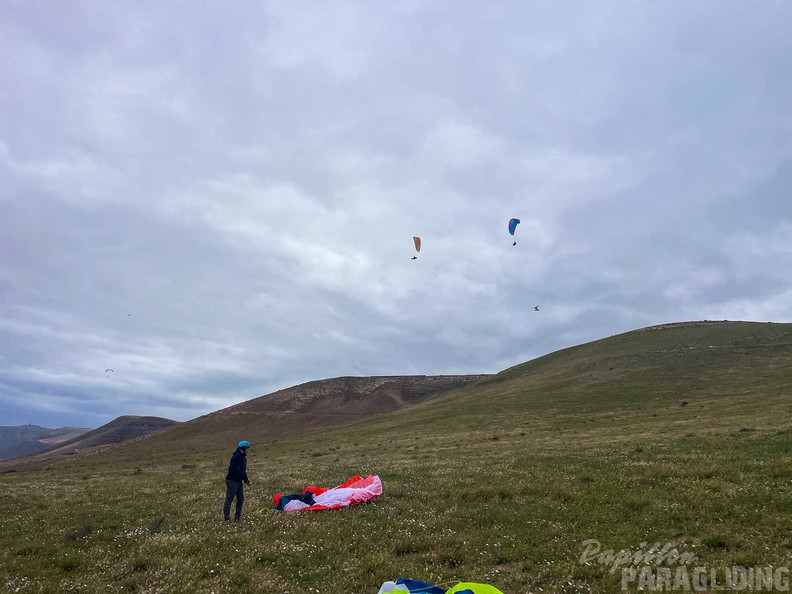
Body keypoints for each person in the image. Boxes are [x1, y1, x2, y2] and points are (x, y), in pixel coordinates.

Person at [224, 440, 251, 521]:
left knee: (240, 499)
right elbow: (234, 470)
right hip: (232, 481)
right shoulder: (236, 457)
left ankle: (237, 517)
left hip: (238, 481)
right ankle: (227, 518)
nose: (247, 450)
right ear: (243, 448)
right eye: (247, 448)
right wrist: (243, 476)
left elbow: (243, 471)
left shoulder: (243, 458)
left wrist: (246, 479)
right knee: (229, 499)